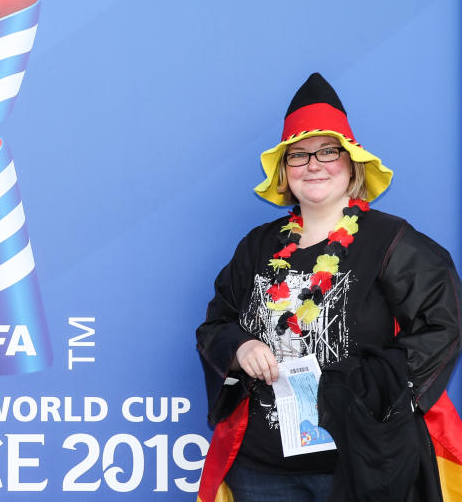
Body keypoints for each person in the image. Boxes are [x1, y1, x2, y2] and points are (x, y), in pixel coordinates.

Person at [196, 73, 462, 502]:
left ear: (352, 163)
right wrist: (241, 347)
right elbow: (217, 323)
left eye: (327, 151)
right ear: (285, 172)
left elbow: (442, 325)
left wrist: (370, 384)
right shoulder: (258, 245)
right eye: (298, 156)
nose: (314, 165)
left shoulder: (390, 241)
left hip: (360, 465)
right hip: (262, 469)